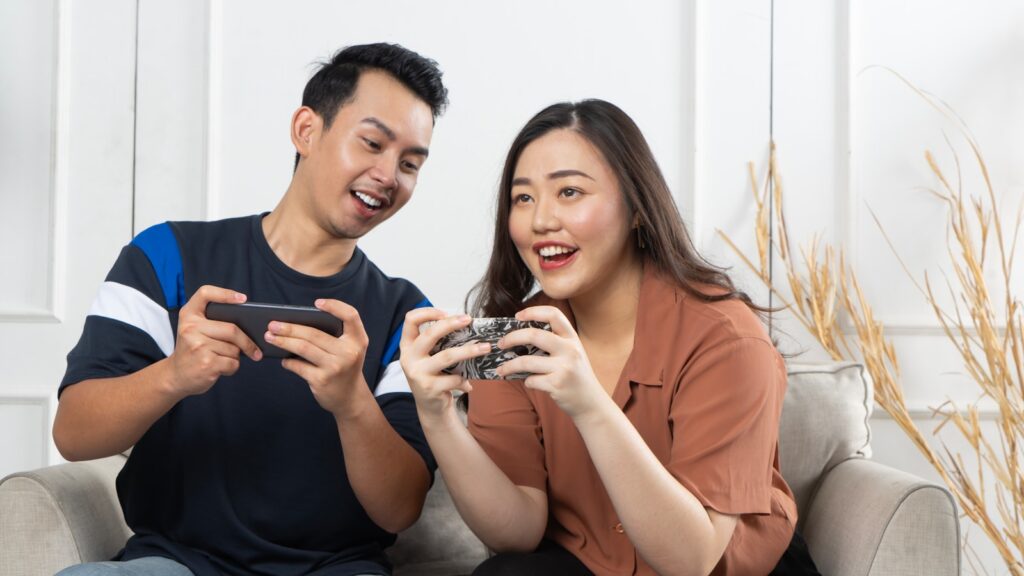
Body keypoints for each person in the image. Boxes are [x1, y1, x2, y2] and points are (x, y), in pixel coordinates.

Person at [52, 43, 448, 576]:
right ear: (307, 130)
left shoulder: (407, 314)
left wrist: (352, 401)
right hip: (177, 563)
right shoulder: (166, 256)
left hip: (335, 567)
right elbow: (74, 436)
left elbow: (399, 509)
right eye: (372, 143)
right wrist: (175, 375)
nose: (388, 174)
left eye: (409, 163)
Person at [400, 100, 819, 575]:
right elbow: (514, 533)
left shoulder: (726, 339)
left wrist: (588, 404)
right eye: (524, 198)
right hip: (590, 561)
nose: (541, 221)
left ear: (637, 208)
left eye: (570, 192)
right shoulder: (515, 337)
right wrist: (436, 416)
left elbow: (692, 561)